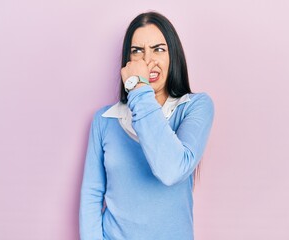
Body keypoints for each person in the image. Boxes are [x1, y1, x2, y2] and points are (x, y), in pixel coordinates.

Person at [79, 11, 214, 240]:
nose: (147, 60)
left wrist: (139, 88)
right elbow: (91, 194)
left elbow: (171, 170)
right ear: (128, 62)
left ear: (174, 55)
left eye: (158, 49)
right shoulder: (104, 119)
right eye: (137, 51)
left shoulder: (195, 107)